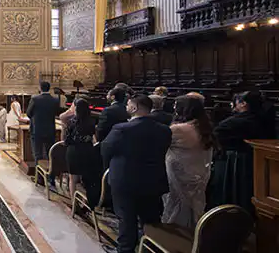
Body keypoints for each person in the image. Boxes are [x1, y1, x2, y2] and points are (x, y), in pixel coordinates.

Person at [102, 95, 172, 253]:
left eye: (128, 105)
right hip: (153, 179)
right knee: (151, 218)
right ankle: (150, 247)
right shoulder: (164, 130)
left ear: (134, 108)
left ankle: (125, 249)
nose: (126, 107)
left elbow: (106, 149)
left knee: (126, 218)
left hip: (125, 179)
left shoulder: (121, 129)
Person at [208, 90, 270, 213]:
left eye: (237, 101)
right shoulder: (264, 118)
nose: (234, 104)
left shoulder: (235, 122)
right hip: (255, 159)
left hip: (235, 160)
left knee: (233, 191)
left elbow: (215, 135)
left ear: (244, 104)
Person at [162, 96, 215, 228]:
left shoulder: (179, 129)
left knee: (176, 204)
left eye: (176, 105)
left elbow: (160, 144)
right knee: (194, 204)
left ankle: (174, 236)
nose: (174, 108)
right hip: (198, 171)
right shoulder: (203, 126)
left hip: (180, 172)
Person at [62, 98, 99, 201]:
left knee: (73, 179)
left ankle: (74, 202)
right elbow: (92, 138)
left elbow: (65, 140)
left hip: (74, 151)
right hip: (87, 150)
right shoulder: (92, 122)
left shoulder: (70, 122)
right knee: (85, 178)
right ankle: (85, 201)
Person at [26, 81, 60, 163]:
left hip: (37, 129)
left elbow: (28, 113)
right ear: (49, 88)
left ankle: (38, 174)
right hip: (50, 129)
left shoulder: (35, 99)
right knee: (50, 152)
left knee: (38, 153)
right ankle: (50, 172)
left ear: (40, 88)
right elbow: (57, 113)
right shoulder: (55, 100)